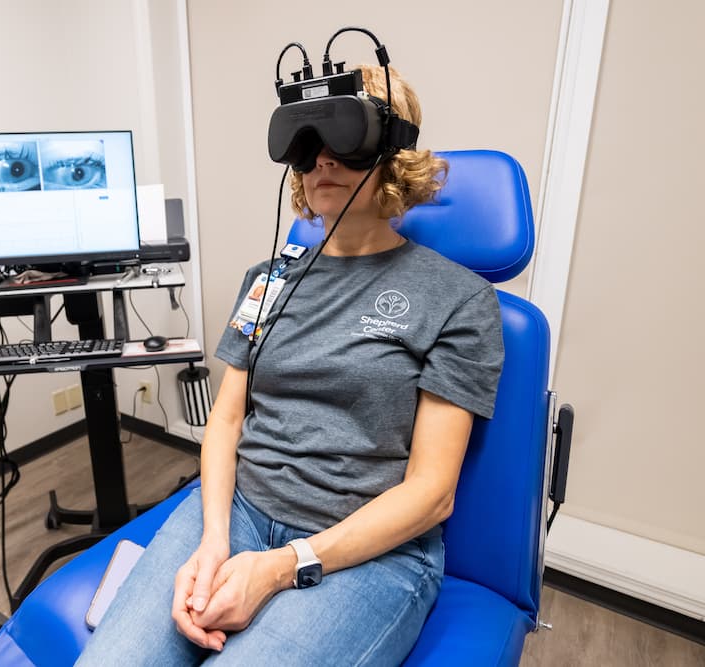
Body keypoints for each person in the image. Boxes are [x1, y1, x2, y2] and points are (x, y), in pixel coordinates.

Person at [76, 64, 504, 666]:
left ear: (392, 152)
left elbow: (432, 495)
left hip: (368, 551)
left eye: (344, 138)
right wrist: (212, 540)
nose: (322, 159)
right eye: (306, 142)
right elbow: (225, 423)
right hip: (240, 513)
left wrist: (280, 568)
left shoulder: (457, 299)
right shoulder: (267, 281)